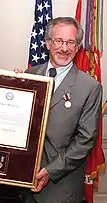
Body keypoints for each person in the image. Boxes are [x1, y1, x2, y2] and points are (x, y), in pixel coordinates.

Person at [21, 17, 102, 203]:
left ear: (77, 47)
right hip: (24, 183)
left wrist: (50, 171)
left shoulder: (90, 87)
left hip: (60, 189)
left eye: (70, 42)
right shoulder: (29, 75)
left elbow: (85, 141)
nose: (64, 48)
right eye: (58, 41)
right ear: (48, 43)